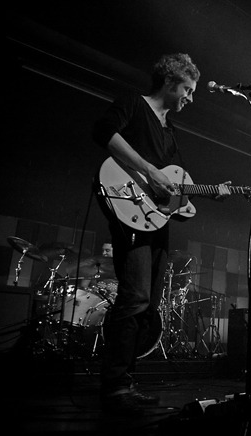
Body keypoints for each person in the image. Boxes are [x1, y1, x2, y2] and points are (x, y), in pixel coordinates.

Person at [92, 53, 232, 414]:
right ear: (170, 82)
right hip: (128, 208)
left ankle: (126, 381)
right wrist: (149, 171)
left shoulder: (170, 132)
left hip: (154, 220)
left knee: (150, 304)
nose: (190, 97)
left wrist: (189, 202)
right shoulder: (133, 105)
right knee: (134, 296)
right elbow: (103, 132)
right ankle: (114, 384)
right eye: (187, 89)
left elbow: (172, 190)